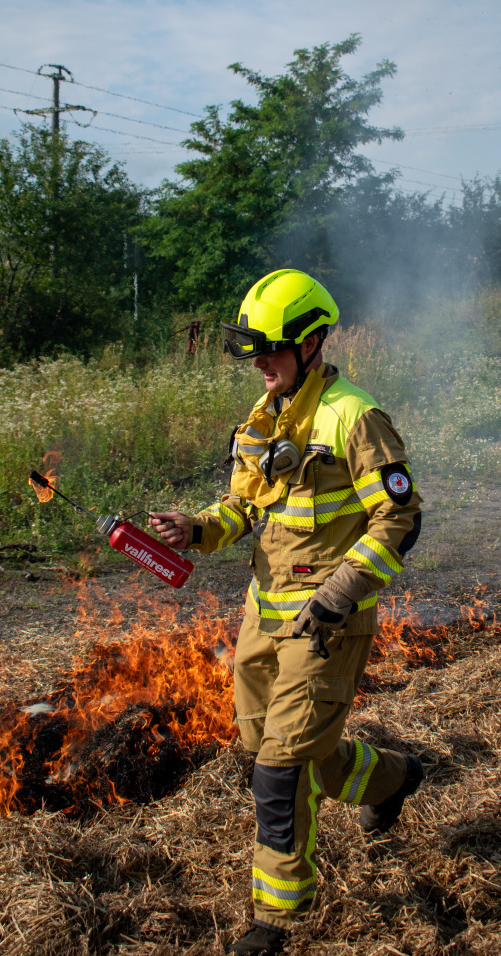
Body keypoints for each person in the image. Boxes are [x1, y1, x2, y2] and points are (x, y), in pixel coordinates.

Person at [150, 269, 424, 955]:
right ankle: (392, 779)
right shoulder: (266, 413)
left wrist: (337, 595)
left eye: (270, 350)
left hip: (327, 623)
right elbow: (246, 505)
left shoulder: (354, 417)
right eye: (253, 351)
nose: (259, 363)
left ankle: (275, 919)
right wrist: (197, 528)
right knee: (277, 749)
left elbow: (399, 519)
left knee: (278, 770)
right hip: (262, 618)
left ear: (311, 342)